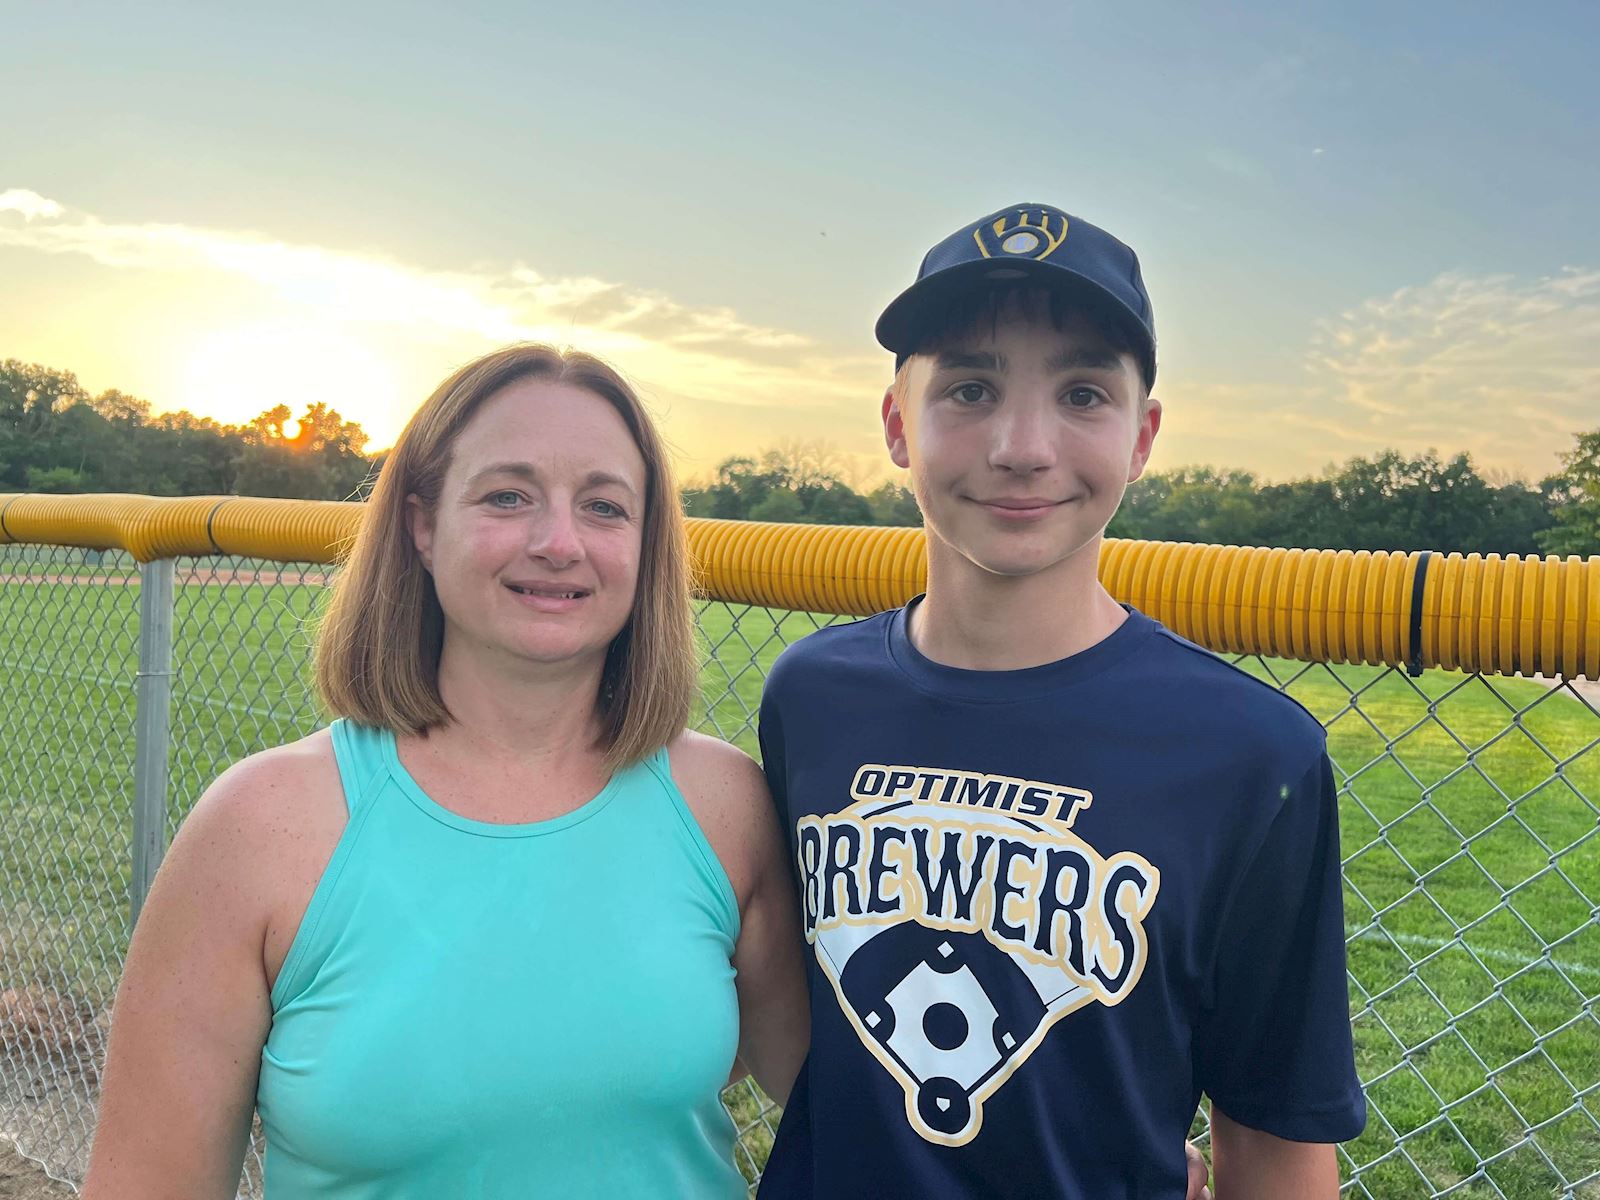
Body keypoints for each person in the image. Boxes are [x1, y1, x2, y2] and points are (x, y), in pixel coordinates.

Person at [82, 344, 809, 1198]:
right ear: (423, 526)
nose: (559, 542)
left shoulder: (725, 805)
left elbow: (860, 1112)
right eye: (508, 496)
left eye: (605, 506)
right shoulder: (262, 825)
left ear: (647, 543)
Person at [755, 204, 1366, 1199]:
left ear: (1142, 437)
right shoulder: (812, 695)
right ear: (896, 425)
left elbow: (1276, 1139)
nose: (1022, 445)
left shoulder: (1251, 752)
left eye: (1082, 392)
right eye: (968, 388)